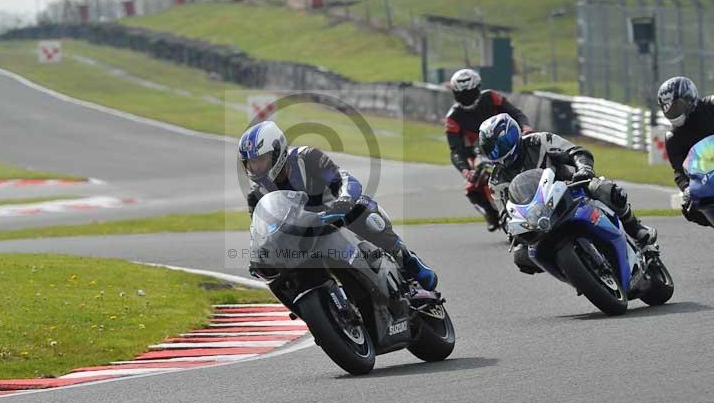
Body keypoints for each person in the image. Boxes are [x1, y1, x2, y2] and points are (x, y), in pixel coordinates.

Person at [239, 120, 439, 291]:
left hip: (336, 215)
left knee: (364, 211)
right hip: (303, 235)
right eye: (251, 163)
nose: (256, 168)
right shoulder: (256, 196)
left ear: (277, 151)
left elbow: (345, 180)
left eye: (261, 161)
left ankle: (406, 258)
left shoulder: (307, 157)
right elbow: (261, 233)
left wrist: (342, 202)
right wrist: (260, 255)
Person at [478, 113, 657, 249]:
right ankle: (573, 271)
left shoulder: (539, 141)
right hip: (538, 218)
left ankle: (636, 229)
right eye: (493, 149)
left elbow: (575, 152)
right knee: (520, 254)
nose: (499, 151)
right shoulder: (496, 180)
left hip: (569, 191)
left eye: (502, 144)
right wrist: (512, 231)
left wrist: (584, 169)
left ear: (514, 133)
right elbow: (504, 215)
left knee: (605, 189)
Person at [444, 68, 534, 231]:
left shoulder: (491, 97)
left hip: (507, 139)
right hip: (478, 152)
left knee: (533, 157)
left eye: (470, 92)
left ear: (478, 88)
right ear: (455, 94)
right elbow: (455, 149)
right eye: (462, 94)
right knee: (471, 188)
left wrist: (525, 127)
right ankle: (490, 213)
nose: (466, 97)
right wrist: (465, 170)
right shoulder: (453, 117)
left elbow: (515, 113)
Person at [658, 76, 714, 227]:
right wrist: (686, 188)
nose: (672, 111)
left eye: (676, 106)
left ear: (689, 97)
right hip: (707, 178)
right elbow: (678, 171)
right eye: (668, 108)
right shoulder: (673, 138)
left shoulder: (710, 105)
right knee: (690, 209)